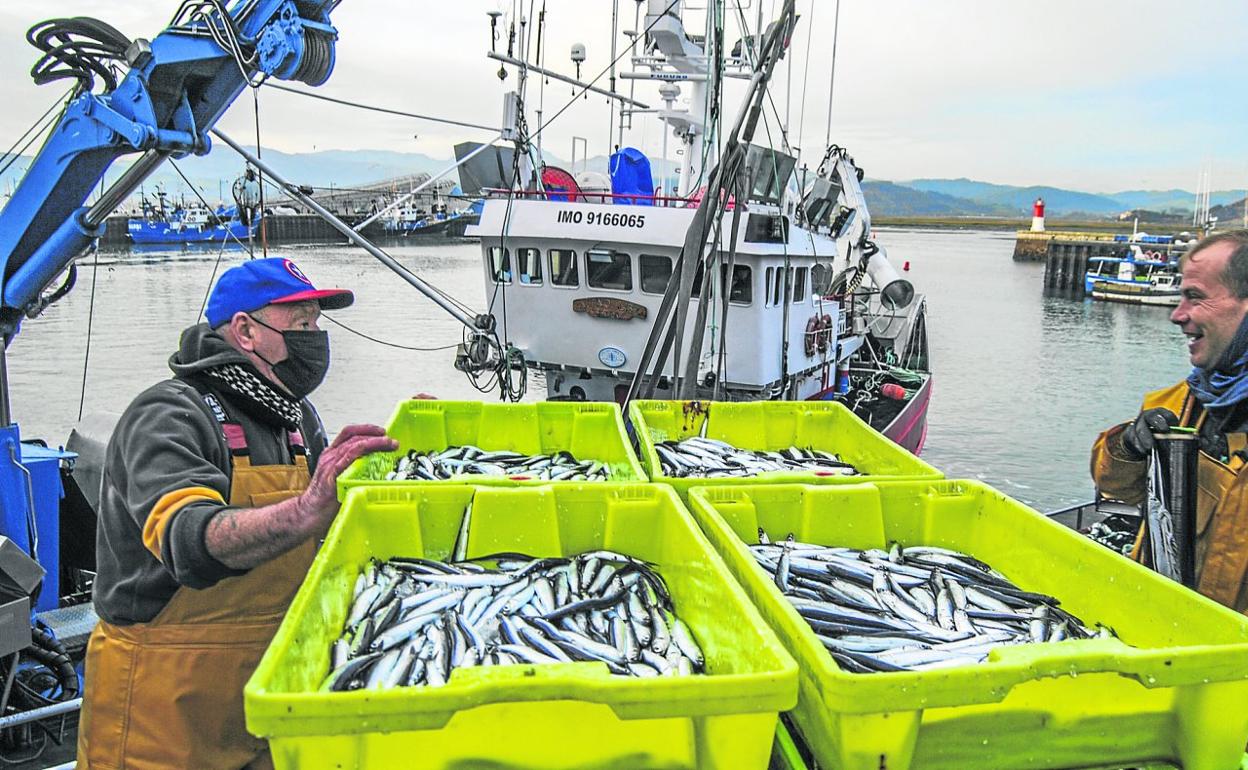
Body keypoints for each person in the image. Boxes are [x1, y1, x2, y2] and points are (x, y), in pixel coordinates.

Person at [77, 258, 398, 769]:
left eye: (317, 323)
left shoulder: (293, 418)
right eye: (301, 325)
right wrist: (305, 510)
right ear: (246, 330)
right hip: (165, 720)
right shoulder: (169, 415)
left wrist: (395, 461)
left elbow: (325, 520)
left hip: (264, 705)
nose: (316, 339)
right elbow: (189, 540)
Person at [1091, 230, 1248, 613]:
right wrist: (1127, 445)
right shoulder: (1186, 402)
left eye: (1195, 297)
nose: (1177, 315)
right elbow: (1115, 485)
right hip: (1160, 630)